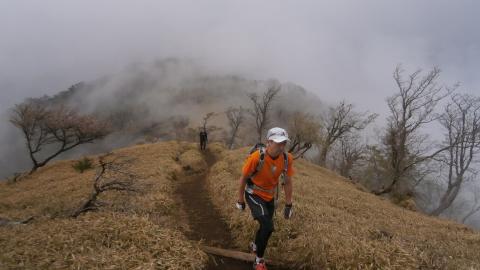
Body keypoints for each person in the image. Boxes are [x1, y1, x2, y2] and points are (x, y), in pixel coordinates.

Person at [236, 127, 294, 270]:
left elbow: (287, 181)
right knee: (268, 226)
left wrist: (288, 204)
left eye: (284, 143)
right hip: (253, 194)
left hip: (270, 197)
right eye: (278, 143)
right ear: (268, 142)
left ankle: (255, 246)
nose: (281, 146)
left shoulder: (287, 159)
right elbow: (243, 178)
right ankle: (259, 260)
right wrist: (240, 200)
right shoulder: (256, 157)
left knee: (265, 226)